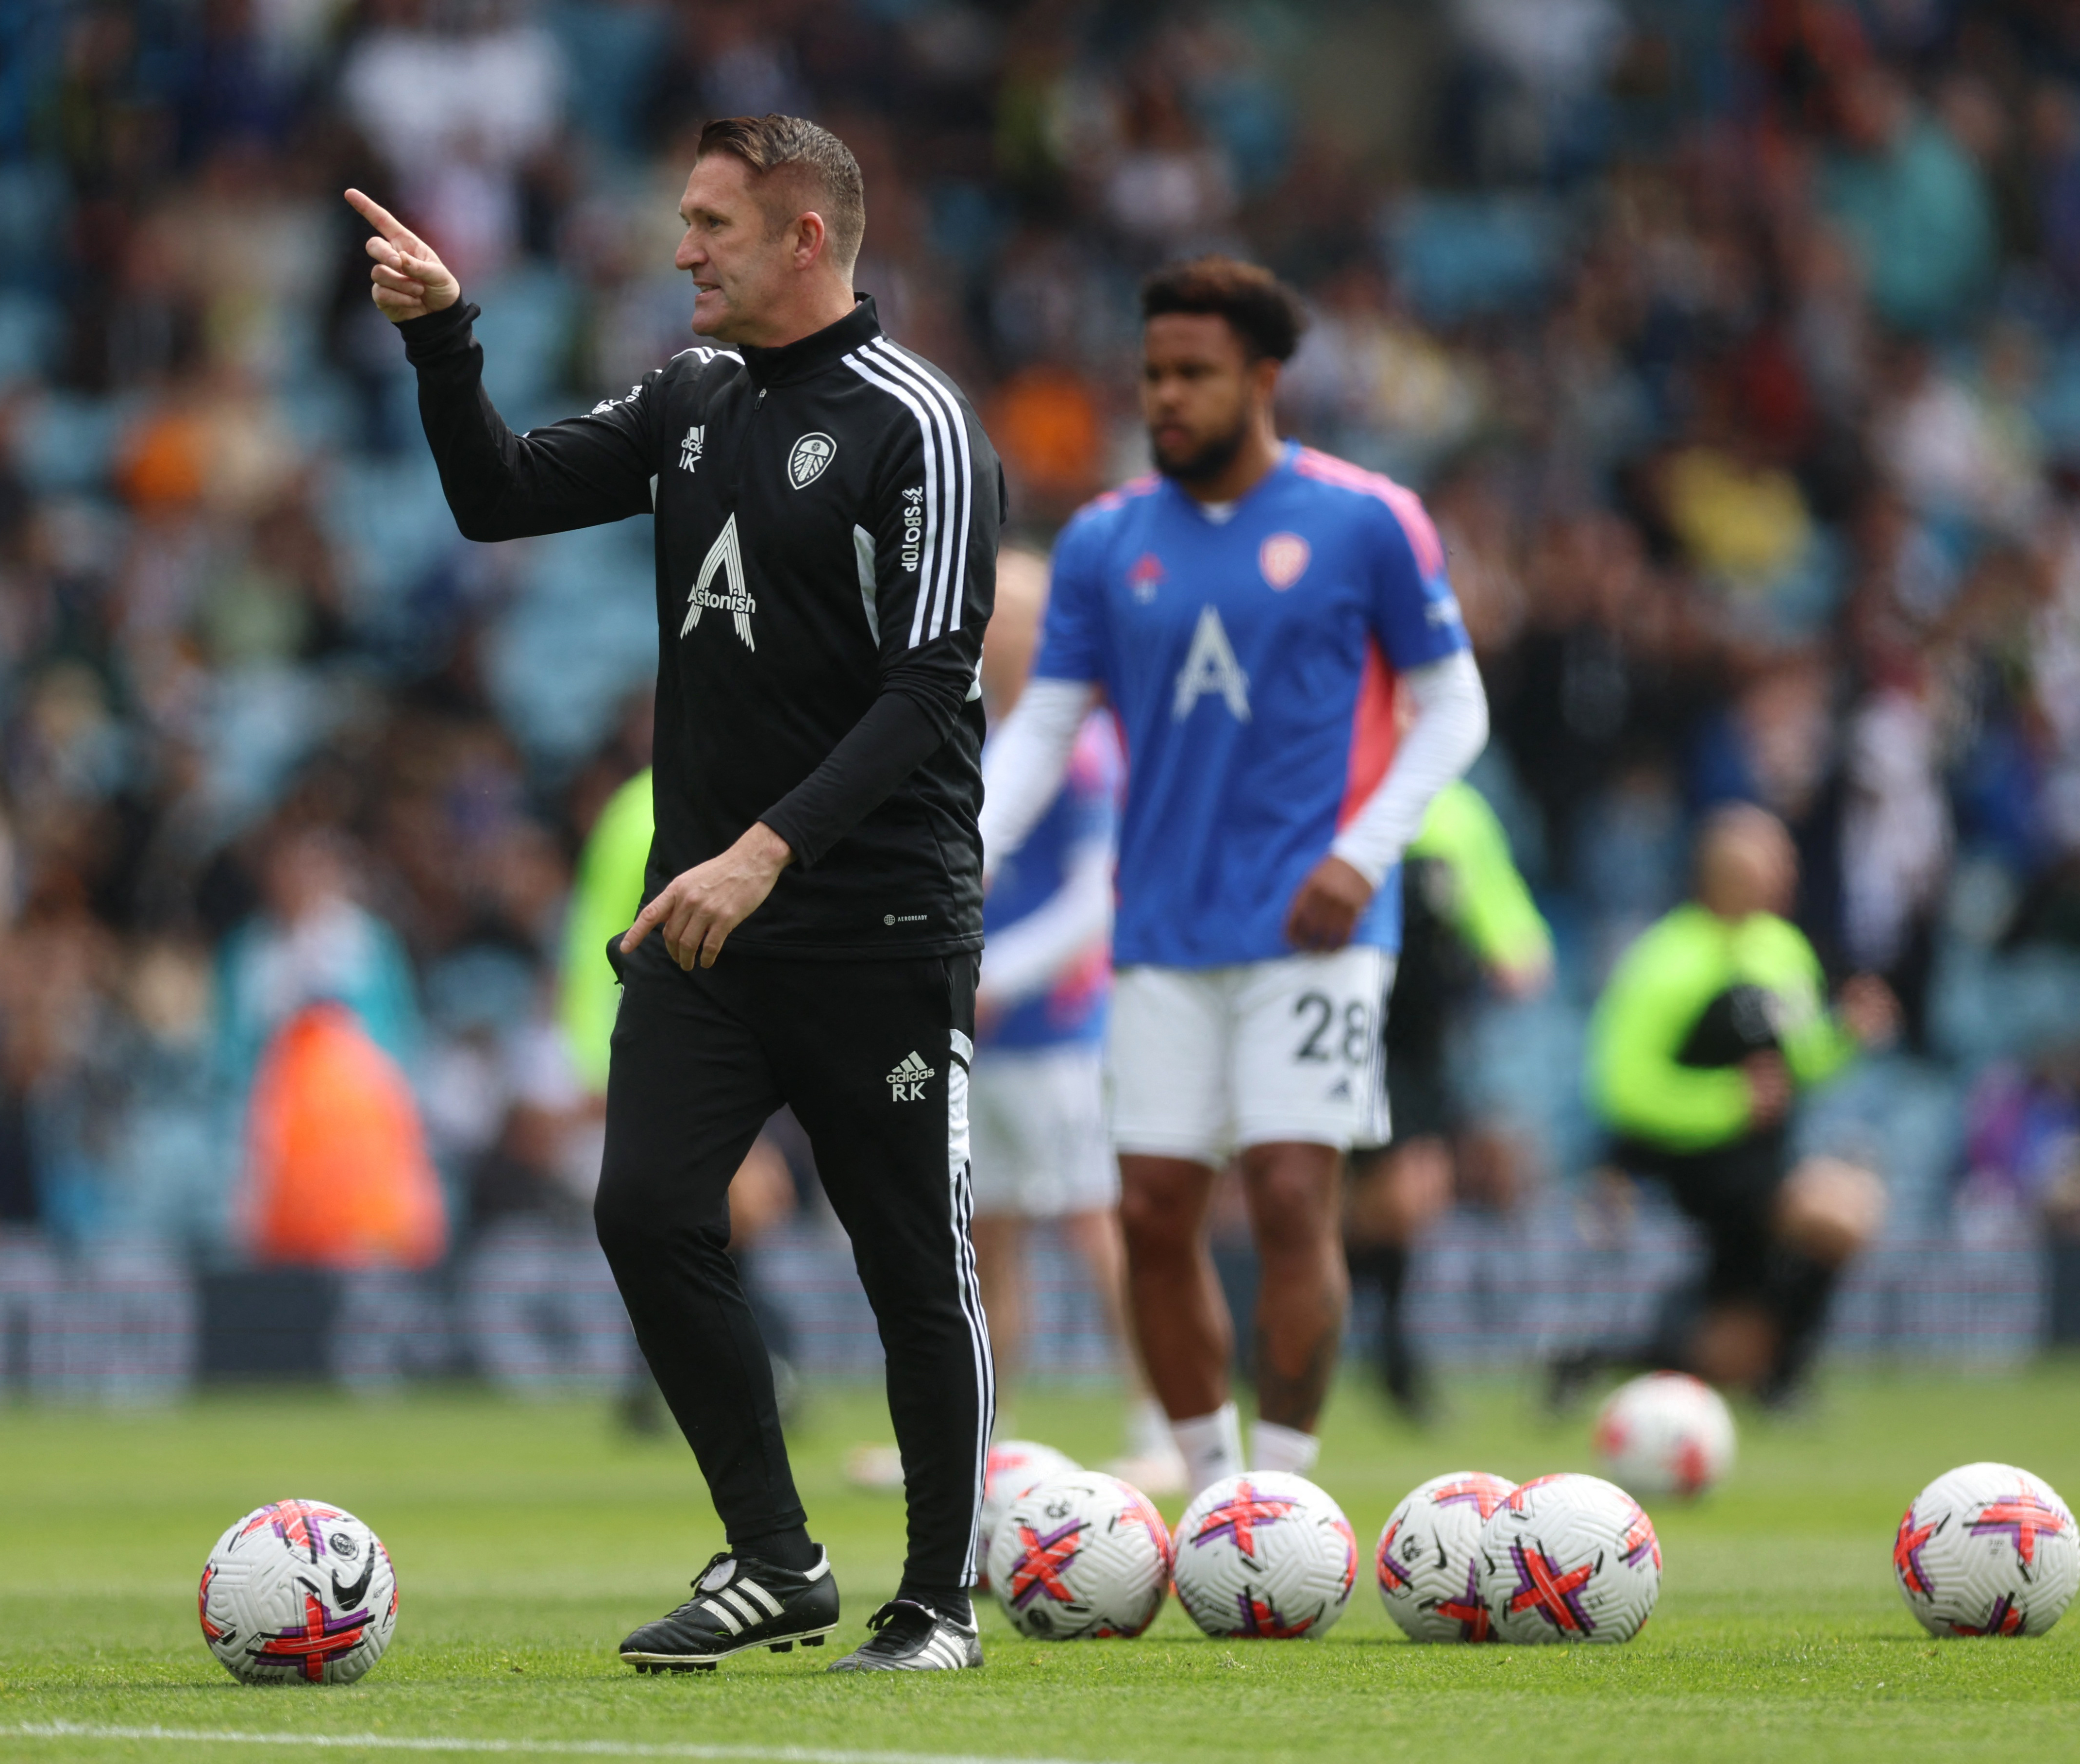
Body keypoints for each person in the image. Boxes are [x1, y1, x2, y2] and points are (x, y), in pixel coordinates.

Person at [353, 111, 1002, 1674]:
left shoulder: (917, 422)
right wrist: (447, 339)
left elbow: (930, 687)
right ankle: (773, 1557)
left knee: (908, 1258)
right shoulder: (695, 394)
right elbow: (497, 495)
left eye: (710, 223)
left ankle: (937, 1602)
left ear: (803, 237)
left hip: (876, 918)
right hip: (703, 920)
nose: (679, 250)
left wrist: (769, 845)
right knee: (645, 1209)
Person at [979, 258, 1488, 1497]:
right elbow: (1045, 725)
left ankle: (1291, 1488)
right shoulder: (1106, 541)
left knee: (1290, 1189)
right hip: (1160, 931)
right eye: (1153, 374)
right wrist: (964, 859)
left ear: (1264, 378)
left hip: (1313, 931)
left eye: (1194, 374)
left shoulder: (1366, 521)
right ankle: (1217, 1490)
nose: (1166, 397)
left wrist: (1362, 857)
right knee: (1153, 1209)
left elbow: (1452, 707)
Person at [1555, 805, 1896, 1409]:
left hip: (1760, 1161)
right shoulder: (1664, 959)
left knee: (1724, 1356)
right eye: (1774, 861)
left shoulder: (1781, 949)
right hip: (1689, 1164)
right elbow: (1622, 1087)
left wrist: (1846, 1033)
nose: (1788, 873)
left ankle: (1603, 1358)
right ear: (1727, 874)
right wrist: (1728, 1102)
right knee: (1842, 1211)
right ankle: (1783, 1381)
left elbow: (1797, 1064)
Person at [967, 548, 1177, 1488]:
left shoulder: (1082, 746)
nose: (996, 625)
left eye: (1015, 609)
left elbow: (1097, 896)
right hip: (981, 1029)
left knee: (1098, 1229)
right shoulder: (967, 734)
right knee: (985, 1236)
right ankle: (984, 1436)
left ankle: (1160, 1426)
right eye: (990, 608)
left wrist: (997, 974)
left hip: (1059, 1028)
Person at [560, 766, 802, 1438]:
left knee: (694, 1212)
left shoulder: (643, 801)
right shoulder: (676, 804)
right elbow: (618, 940)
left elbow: (587, 937)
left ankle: (674, 1381)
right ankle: (745, 1373)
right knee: (719, 1208)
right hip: (681, 1040)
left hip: (680, 1039)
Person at [1344, 779, 1553, 1424]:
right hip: (1346, 1028)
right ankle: (1371, 1351)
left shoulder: (1455, 810)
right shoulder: (1335, 788)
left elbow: (1498, 904)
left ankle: (1353, 1340)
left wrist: (1515, 951)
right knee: (1393, 1198)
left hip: (1422, 1040)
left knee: (1408, 1198)